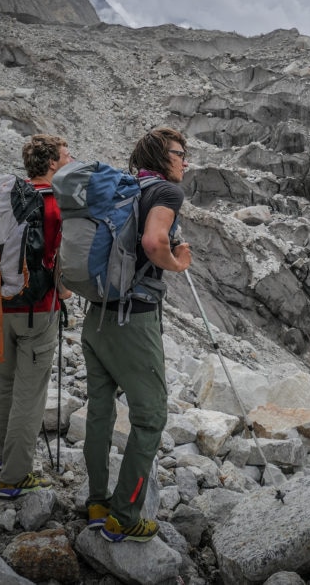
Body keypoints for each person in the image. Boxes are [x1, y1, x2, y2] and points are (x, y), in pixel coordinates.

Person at [83, 127, 193, 542]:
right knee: (151, 417)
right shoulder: (166, 192)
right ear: (162, 157)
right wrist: (177, 263)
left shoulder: (126, 188)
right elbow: (152, 240)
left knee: (100, 411)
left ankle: (97, 503)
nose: (185, 161)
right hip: (133, 321)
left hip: (97, 314)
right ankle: (125, 518)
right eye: (180, 153)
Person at [0, 134, 73, 499]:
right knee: (29, 394)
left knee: (4, 382)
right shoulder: (57, 204)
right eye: (66, 156)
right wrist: (63, 291)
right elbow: (60, 257)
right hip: (38, 310)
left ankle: (4, 457)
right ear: (51, 163)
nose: (70, 161)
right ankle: (15, 477)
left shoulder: (3, 196)